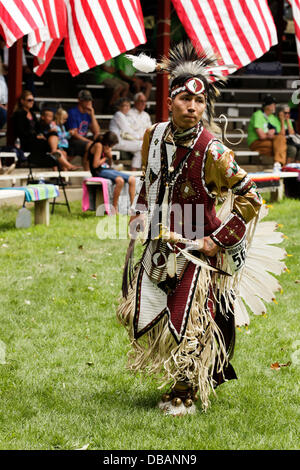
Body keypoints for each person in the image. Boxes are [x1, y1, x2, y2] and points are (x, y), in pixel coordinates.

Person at [117, 41, 265, 416]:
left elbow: (251, 197)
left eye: (199, 102)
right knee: (155, 314)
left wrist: (216, 241)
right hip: (160, 242)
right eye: (185, 99)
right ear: (171, 101)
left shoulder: (214, 151)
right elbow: (149, 179)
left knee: (190, 317)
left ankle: (186, 390)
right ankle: (177, 383)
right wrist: (139, 214)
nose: (192, 107)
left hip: (198, 250)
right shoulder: (153, 136)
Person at [12, 91, 77, 171]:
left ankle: (55, 154)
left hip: (37, 140)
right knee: (59, 150)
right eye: (29, 100)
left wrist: (42, 134)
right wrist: (36, 135)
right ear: (22, 101)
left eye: (33, 100)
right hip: (27, 141)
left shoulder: (32, 114)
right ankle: (67, 165)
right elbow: (21, 132)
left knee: (53, 134)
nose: (32, 102)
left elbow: (38, 129)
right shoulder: (19, 114)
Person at [87, 131, 136, 214]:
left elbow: (109, 164)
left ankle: (133, 208)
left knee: (132, 179)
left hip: (107, 169)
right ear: (108, 143)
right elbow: (95, 165)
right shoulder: (98, 145)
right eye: (111, 145)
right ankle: (114, 208)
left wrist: (109, 157)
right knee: (120, 181)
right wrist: (105, 157)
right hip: (98, 171)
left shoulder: (106, 147)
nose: (111, 147)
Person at [247, 95, 286, 170]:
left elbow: (282, 134)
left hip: (270, 142)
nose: (275, 106)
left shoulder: (273, 117)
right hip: (256, 142)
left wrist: (282, 120)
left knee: (280, 143)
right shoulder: (257, 115)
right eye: (273, 104)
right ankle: (280, 165)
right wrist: (269, 134)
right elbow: (261, 136)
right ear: (267, 106)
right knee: (281, 146)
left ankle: (278, 163)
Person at [66, 89, 101, 170]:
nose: (88, 102)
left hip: (83, 139)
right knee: (90, 145)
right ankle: (88, 169)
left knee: (100, 141)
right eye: (85, 100)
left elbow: (96, 131)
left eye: (89, 100)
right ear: (80, 100)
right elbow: (74, 134)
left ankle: (95, 167)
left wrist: (92, 114)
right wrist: (88, 141)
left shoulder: (88, 112)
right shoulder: (72, 112)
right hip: (72, 140)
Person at [109, 97, 143, 170]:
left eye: (128, 106)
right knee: (142, 144)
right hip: (116, 142)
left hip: (121, 140)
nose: (127, 108)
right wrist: (139, 137)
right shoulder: (118, 114)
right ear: (119, 107)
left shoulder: (124, 116)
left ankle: (134, 170)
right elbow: (127, 129)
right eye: (125, 106)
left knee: (139, 150)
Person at [126, 92, 152, 170]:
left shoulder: (146, 115)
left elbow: (150, 130)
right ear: (135, 102)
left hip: (144, 140)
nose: (144, 103)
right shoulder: (129, 114)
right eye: (141, 101)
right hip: (132, 140)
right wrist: (139, 137)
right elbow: (127, 131)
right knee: (142, 147)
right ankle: (134, 172)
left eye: (145, 101)